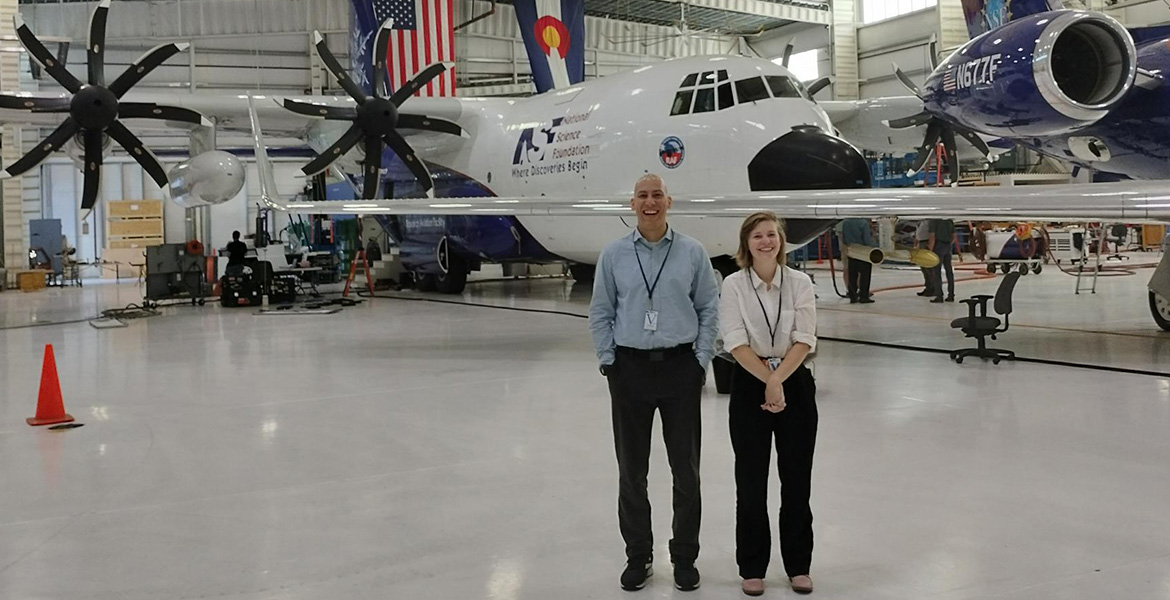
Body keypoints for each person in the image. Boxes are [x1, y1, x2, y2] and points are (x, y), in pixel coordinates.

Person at [588, 173, 720, 592]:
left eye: (657, 195)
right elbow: (600, 311)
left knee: (686, 470)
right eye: (643, 196)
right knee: (631, 471)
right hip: (630, 371)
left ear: (669, 201)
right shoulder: (613, 254)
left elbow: (709, 309)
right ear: (632, 204)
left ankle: (684, 557)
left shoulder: (692, 252)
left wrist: (700, 362)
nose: (650, 202)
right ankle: (638, 555)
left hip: (681, 369)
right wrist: (609, 362)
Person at [719, 212, 818, 597]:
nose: (766, 242)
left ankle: (798, 565)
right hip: (749, 382)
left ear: (781, 240)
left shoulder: (800, 283)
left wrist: (778, 381)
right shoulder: (733, 285)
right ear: (746, 243)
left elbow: (804, 338)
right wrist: (768, 380)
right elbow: (735, 341)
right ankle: (752, 566)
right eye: (758, 236)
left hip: (793, 380)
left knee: (797, 480)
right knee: (750, 481)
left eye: (772, 235)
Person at [840, 218, 876, 304]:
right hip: (863, 252)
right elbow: (866, 240)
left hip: (851, 251)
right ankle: (864, 296)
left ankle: (853, 296)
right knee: (865, 275)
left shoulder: (846, 222)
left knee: (852, 275)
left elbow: (844, 238)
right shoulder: (863, 223)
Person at [928, 219, 956, 303]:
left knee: (937, 272)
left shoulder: (934, 221)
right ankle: (951, 295)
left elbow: (932, 236)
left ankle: (939, 296)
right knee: (949, 271)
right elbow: (954, 236)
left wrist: (929, 251)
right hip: (948, 246)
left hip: (938, 246)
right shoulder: (949, 221)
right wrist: (949, 245)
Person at [915, 220, 935, 297]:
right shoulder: (920, 221)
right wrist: (916, 244)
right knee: (923, 267)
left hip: (926, 242)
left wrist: (930, 246)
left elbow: (932, 234)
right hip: (921, 242)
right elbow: (918, 234)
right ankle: (928, 287)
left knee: (928, 268)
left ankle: (932, 288)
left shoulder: (929, 221)